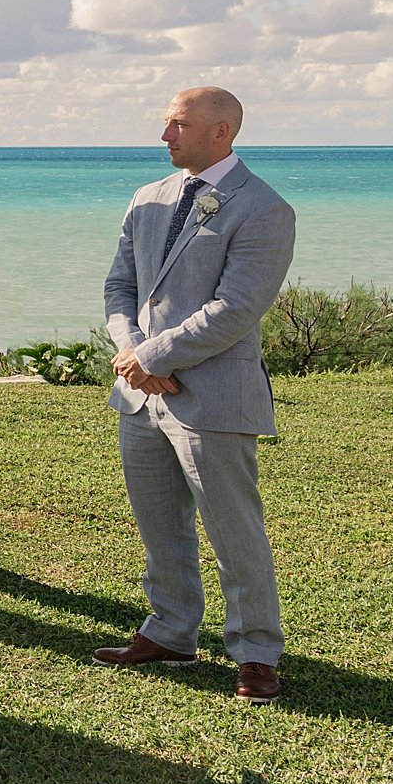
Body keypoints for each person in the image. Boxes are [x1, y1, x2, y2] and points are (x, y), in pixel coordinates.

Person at [95, 87, 295, 704]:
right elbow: (120, 287)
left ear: (221, 132)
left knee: (236, 534)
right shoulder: (147, 198)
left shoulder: (264, 209)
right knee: (160, 527)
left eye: (177, 125)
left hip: (216, 398)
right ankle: (172, 633)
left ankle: (257, 653)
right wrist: (134, 356)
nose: (164, 136)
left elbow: (236, 309)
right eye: (166, 123)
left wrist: (149, 358)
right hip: (140, 397)